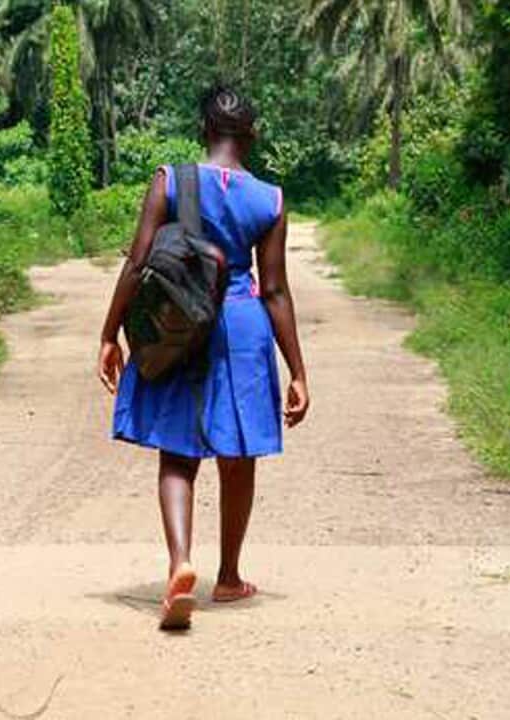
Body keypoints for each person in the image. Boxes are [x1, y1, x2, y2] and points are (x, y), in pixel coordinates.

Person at [96, 85, 310, 630]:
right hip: (240, 325)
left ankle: (180, 563)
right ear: (252, 135)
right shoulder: (269, 199)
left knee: (178, 451)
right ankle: (231, 576)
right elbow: (276, 290)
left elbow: (138, 263)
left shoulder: (170, 180)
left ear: (203, 131)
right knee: (238, 456)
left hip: (178, 322)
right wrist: (298, 370)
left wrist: (110, 333)